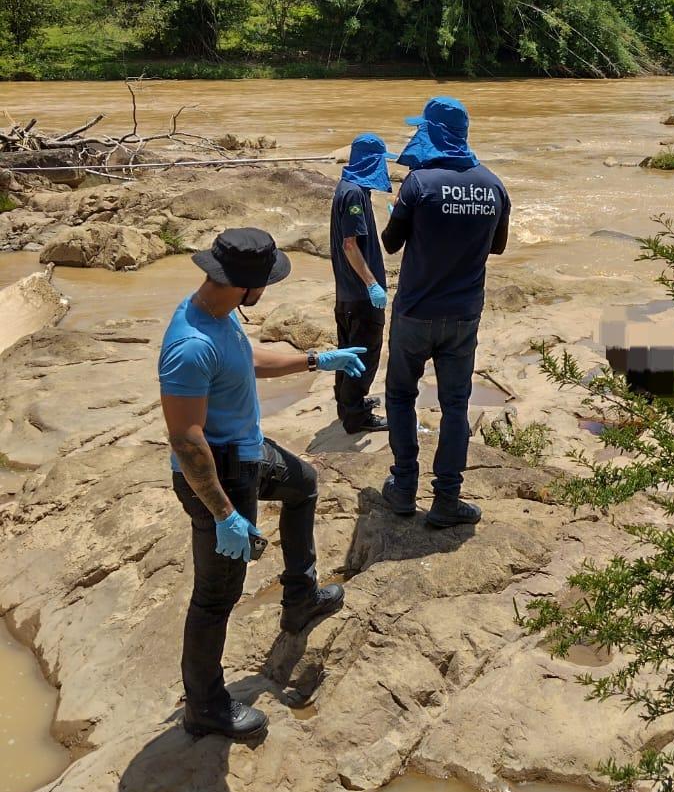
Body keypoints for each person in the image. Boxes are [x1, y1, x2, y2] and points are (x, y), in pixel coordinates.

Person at [159, 227, 369, 742]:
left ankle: (300, 597)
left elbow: (248, 362)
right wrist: (224, 514)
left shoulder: (219, 314)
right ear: (246, 286)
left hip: (247, 455)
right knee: (215, 596)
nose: (267, 292)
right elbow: (186, 440)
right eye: (265, 284)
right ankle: (205, 706)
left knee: (303, 484)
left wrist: (317, 359)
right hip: (220, 472)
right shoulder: (190, 345)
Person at [380, 96, 510, 527]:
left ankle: (402, 488)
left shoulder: (418, 183)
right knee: (456, 406)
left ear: (431, 132)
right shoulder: (494, 185)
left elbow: (391, 242)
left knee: (401, 396)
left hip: (415, 312)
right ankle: (447, 499)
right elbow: (497, 247)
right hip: (463, 316)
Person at [329, 132, 400, 434]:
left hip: (347, 293)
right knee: (364, 354)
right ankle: (356, 417)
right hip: (360, 294)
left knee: (348, 351)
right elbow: (349, 245)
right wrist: (372, 284)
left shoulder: (349, 188)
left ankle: (347, 405)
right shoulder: (355, 194)